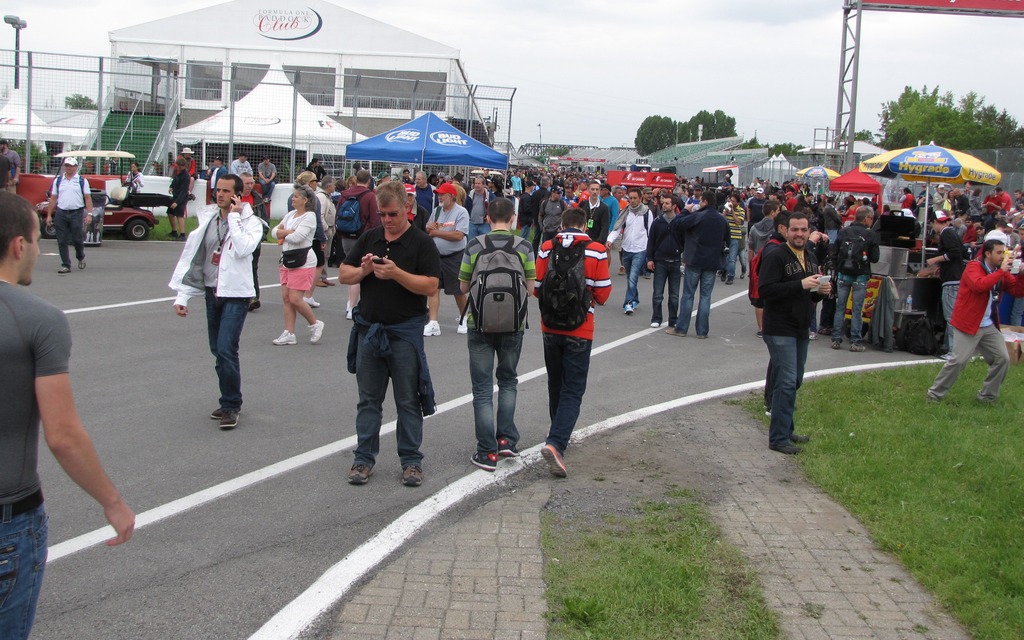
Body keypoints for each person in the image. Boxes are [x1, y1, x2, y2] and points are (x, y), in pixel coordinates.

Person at [339, 180, 440, 487]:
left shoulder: (421, 242)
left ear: (407, 208)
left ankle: (411, 461)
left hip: (405, 332)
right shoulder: (370, 237)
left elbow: (431, 285)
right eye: (382, 215)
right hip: (370, 331)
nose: (387, 220)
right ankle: (363, 459)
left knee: (408, 400)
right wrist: (365, 270)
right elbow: (344, 273)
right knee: (368, 400)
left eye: (392, 214)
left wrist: (396, 273)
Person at [169, 174, 264, 430]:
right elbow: (194, 260)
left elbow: (244, 249)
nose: (220, 194)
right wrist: (183, 295)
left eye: (225, 191)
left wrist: (234, 217)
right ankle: (227, 399)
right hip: (212, 292)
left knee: (226, 348)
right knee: (217, 351)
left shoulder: (252, 223)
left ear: (237, 196)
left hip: (236, 294)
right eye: (218, 190)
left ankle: (232, 405)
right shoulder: (208, 221)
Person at [534, 206, 611, 478]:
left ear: (562, 224)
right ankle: (556, 443)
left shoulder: (547, 247)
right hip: (580, 327)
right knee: (573, 388)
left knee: (556, 381)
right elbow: (603, 294)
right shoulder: (596, 250)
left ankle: (556, 431)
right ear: (585, 225)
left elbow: (537, 288)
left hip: (549, 325)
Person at [459, 198, 535, 471]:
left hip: (479, 322)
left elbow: (463, 286)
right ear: (513, 218)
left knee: (482, 389)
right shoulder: (524, 246)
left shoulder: (474, 245)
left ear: (488, 218)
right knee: (508, 380)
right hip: (513, 324)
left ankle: (486, 451)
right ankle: (506, 440)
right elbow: (530, 288)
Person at [758, 211, 831, 454]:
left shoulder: (810, 256)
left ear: (809, 231)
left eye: (803, 230)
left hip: (801, 327)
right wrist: (800, 284)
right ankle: (778, 438)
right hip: (779, 327)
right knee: (787, 381)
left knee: (794, 380)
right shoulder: (776, 255)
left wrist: (820, 292)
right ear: (785, 231)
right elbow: (766, 290)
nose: (799, 234)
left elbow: (808, 295)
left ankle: (786, 429)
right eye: (795, 230)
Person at [928, 233, 1024, 403]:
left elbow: (1017, 291)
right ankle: (934, 395)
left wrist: (1022, 274)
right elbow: (979, 285)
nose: (1002, 256)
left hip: (987, 325)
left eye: (1003, 252)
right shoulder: (973, 267)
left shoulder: (1000, 272)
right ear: (988, 253)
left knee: (1002, 359)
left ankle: (987, 396)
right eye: (999, 253)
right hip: (968, 323)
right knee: (958, 361)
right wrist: (1001, 271)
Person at [666, 190, 730, 338]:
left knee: (688, 295)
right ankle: (702, 331)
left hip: (694, 259)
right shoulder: (722, 219)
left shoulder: (698, 216)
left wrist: (684, 211)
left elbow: (675, 224)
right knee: (706, 296)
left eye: (701, 201)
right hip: (712, 261)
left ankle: (681, 328)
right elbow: (727, 239)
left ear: (705, 201)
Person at [270, 183, 324, 346]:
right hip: (287, 259)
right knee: (286, 298)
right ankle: (289, 332)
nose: (292, 199)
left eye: (296, 196)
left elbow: (298, 237)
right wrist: (287, 232)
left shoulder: (309, 216)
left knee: (295, 298)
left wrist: (283, 233)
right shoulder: (290, 215)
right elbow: (273, 232)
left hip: (303, 261)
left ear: (305, 200)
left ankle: (315, 324)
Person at [424, 182, 469, 336]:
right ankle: (433, 322)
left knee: (458, 290)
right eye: (439, 194)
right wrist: (430, 228)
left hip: (454, 257)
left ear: (452, 196)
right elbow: (428, 228)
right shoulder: (437, 211)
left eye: (442, 194)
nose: (440, 197)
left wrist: (436, 232)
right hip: (436, 256)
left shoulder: (461, 212)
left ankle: (464, 318)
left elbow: (458, 235)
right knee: (433, 288)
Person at [830, 206, 879, 352]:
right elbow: (875, 258)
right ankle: (856, 342)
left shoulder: (844, 231)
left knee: (840, 307)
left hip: (843, 274)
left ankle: (836, 339)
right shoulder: (870, 234)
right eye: (871, 218)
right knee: (857, 309)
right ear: (867, 218)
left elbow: (835, 252)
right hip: (860, 275)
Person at [338, 169, 381, 319]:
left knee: (350, 266)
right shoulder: (370, 196)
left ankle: (349, 304)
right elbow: (375, 219)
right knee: (359, 270)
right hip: (363, 236)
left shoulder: (345, 194)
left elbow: (338, 214)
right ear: (369, 181)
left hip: (345, 235)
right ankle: (352, 306)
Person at [925, 211, 966, 359]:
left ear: (935, 222)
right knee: (951, 316)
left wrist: (935, 260)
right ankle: (949, 347)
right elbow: (961, 253)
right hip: (955, 277)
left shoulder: (946, 233)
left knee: (951, 317)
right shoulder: (953, 233)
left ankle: (953, 351)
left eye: (933, 224)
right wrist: (942, 267)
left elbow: (954, 253)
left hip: (951, 280)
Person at [606, 187, 652, 315]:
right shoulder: (625, 212)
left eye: (635, 198)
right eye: (630, 198)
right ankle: (634, 298)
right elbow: (617, 228)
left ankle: (628, 303)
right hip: (626, 248)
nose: (632, 200)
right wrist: (609, 240)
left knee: (633, 276)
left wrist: (650, 250)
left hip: (640, 249)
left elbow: (651, 231)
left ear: (640, 198)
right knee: (629, 276)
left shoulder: (647, 213)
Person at [45, 157, 94, 274]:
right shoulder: (58, 180)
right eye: (67, 165)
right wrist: (49, 215)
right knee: (61, 240)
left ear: (76, 167)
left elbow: (88, 198)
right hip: (61, 212)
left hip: (76, 212)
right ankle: (66, 264)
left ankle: (80, 256)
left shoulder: (82, 181)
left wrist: (89, 214)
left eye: (71, 166)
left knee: (77, 239)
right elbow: (53, 198)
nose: (69, 168)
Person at [646, 194, 683, 328]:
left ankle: (673, 319)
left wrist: (683, 257)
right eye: (664, 203)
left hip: (675, 261)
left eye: (667, 203)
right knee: (658, 293)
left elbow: (685, 240)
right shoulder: (658, 222)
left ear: (674, 206)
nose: (664, 205)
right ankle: (656, 318)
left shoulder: (679, 222)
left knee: (674, 295)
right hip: (660, 261)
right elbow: (651, 241)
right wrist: (650, 259)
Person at [239, 172, 269, 312]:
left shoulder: (257, 198)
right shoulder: (234, 198)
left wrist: (262, 236)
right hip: (238, 240)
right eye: (247, 183)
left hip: (254, 242)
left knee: (252, 268)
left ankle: (254, 298)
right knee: (239, 269)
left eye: (252, 183)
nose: (250, 186)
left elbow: (264, 219)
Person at [578, 181, 610, 245]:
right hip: (582, 240)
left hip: (597, 240)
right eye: (592, 189)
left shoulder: (604, 207)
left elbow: (605, 227)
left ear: (599, 191)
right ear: (588, 190)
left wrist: (599, 242)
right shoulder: (583, 204)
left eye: (597, 189)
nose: (595, 192)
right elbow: (578, 222)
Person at [167, 156, 191, 240]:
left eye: (180, 167)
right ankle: (174, 232)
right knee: (170, 213)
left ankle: (182, 234)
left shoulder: (186, 176)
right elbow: (174, 180)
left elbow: (183, 191)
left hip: (182, 198)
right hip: (176, 195)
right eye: (177, 166)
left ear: (184, 166)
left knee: (179, 215)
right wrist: (171, 187)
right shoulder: (177, 172)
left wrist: (177, 202)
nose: (178, 168)